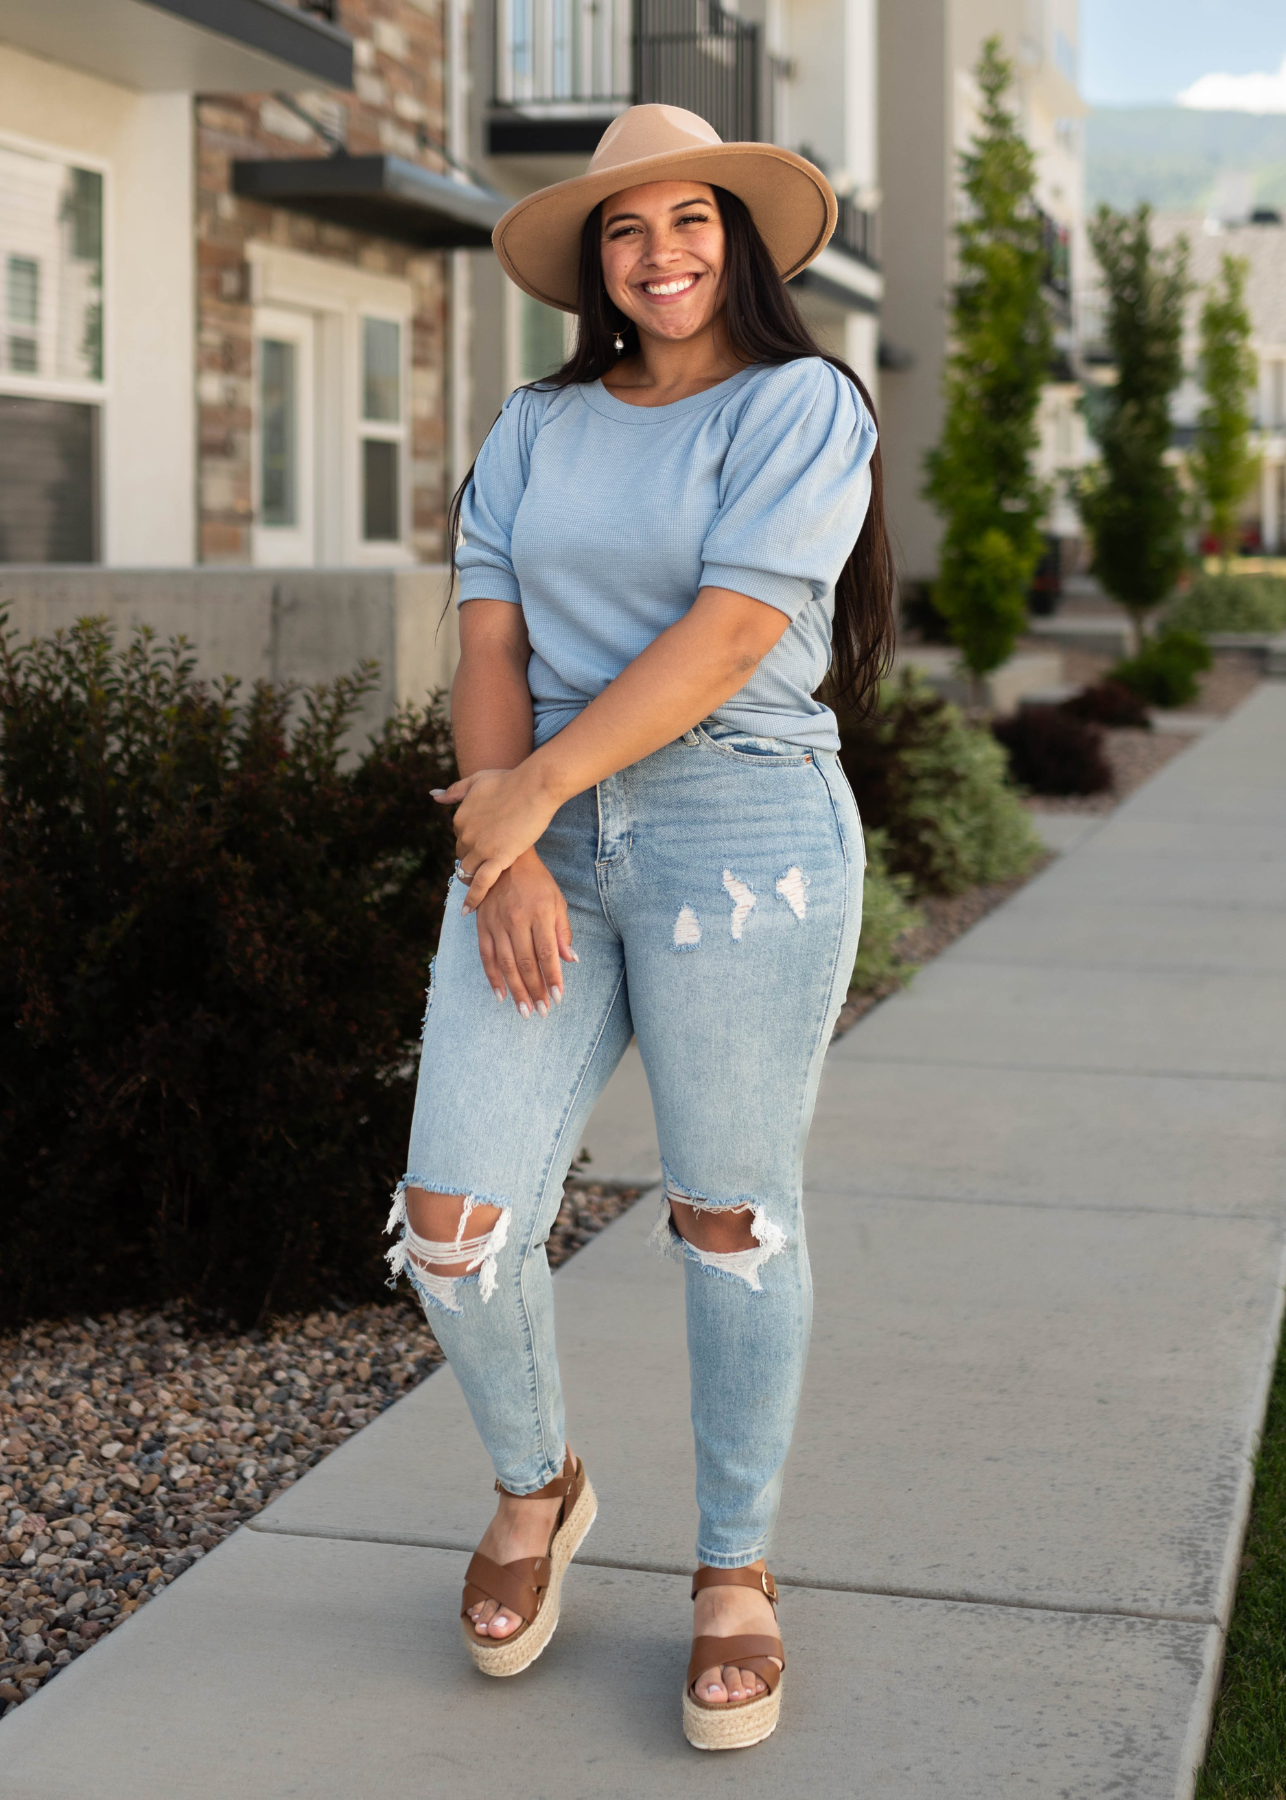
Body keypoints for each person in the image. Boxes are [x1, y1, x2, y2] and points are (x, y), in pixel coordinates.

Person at [384, 102, 894, 1751]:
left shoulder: (801, 404)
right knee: (455, 1222)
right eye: (624, 230)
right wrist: (504, 837)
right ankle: (540, 1488)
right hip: (538, 838)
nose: (658, 253)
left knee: (726, 1219)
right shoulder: (535, 421)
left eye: (689, 222)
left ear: (736, 243)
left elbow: (735, 629)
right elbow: (485, 643)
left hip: (739, 831)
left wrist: (530, 790)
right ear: (592, 264)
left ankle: (732, 1571)